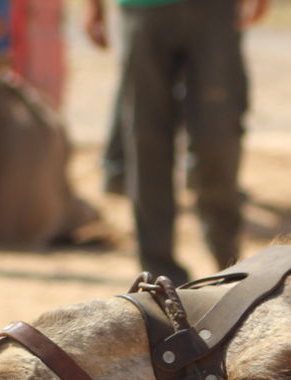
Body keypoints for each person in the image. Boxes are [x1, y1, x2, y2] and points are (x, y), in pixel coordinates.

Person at [84, 0, 269, 285]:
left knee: (217, 135)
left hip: (213, 10)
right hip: (142, 8)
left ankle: (228, 258)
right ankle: (160, 271)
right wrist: (93, 7)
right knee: (146, 137)